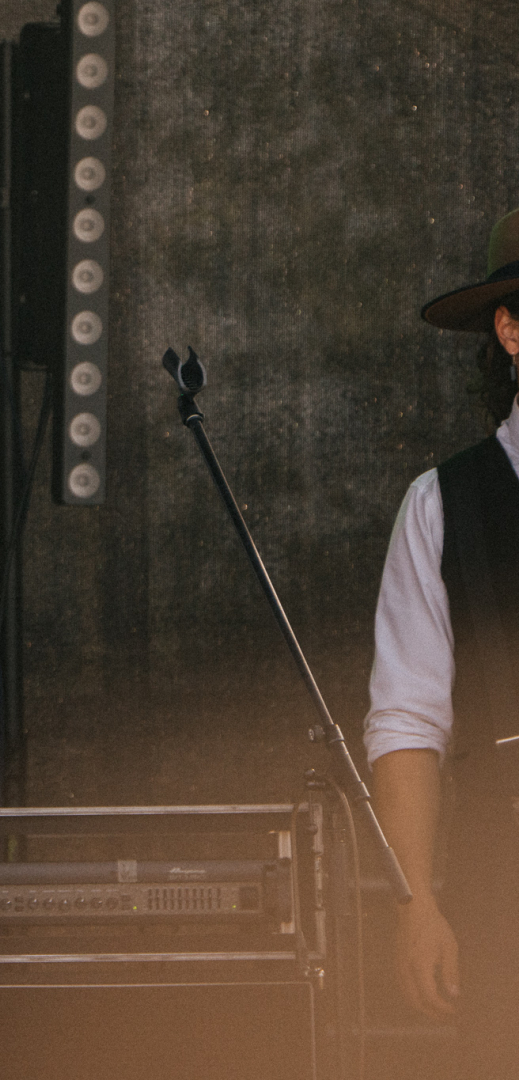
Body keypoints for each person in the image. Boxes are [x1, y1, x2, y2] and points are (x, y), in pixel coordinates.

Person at [366, 207, 519, 1076]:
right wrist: (417, 903)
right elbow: (406, 724)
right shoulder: (441, 506)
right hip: (506, 896)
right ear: (511, 331)